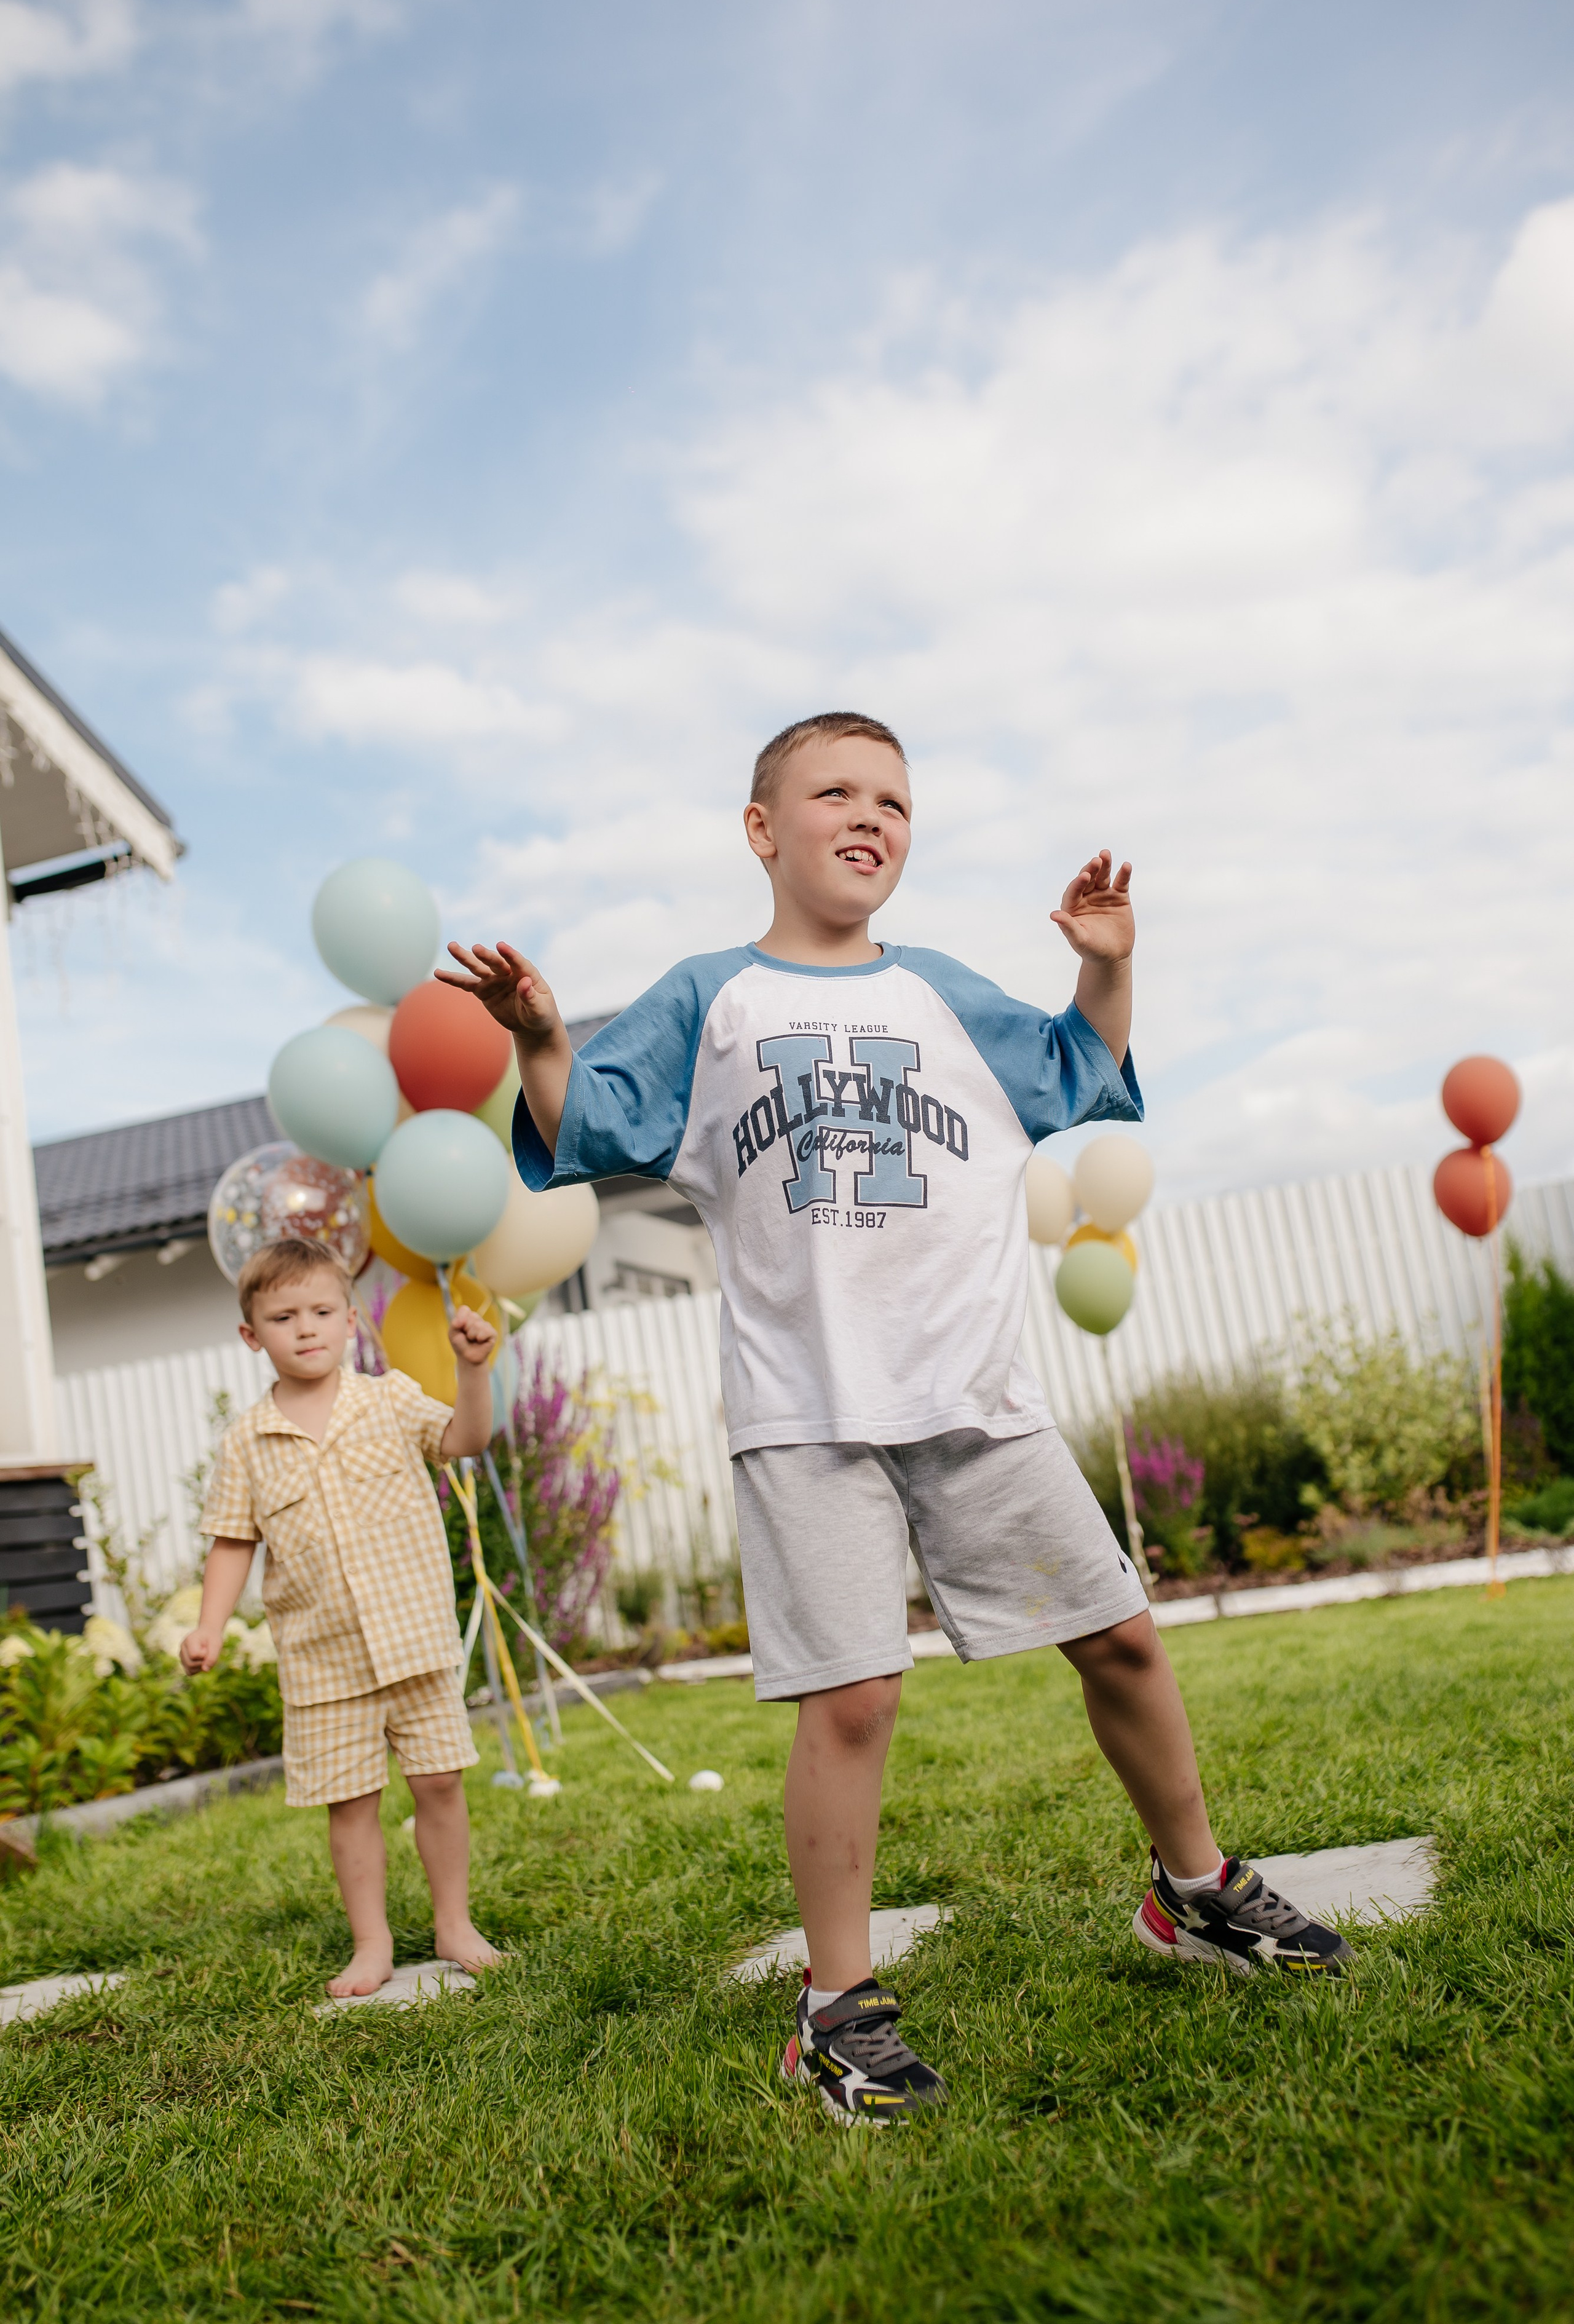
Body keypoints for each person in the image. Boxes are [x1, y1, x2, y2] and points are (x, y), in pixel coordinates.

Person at [441, 710, 1351, 2123]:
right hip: (805, 1410)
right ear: (762, 829)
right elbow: (582, 1131)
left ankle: (1192, 1886)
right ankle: (835, 2008)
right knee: (855, 1695)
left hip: (974, 1396)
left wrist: (1105, 964)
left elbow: (1079, 1067)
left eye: (892, 799)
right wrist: (543, 1036)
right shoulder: (709, 1000)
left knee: (1117, 1635)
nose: (868, 816)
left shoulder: (941, 993)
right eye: (834, 792)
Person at [180, 1235, 504, 1999]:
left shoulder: (389, 1399)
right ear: (251, 1335)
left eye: (323, 1311)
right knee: (351, 1805)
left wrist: (473, 1369)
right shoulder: (248, 1441)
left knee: (440, 1782)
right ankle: (371, 1943)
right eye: (284, 1317)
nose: (307, 1328)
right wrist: (209, 1625)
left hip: (414, 1642)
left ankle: (454, 1924)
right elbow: (232, 1540)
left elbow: (466, 1438)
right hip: (321, 1660)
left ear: (351, 1319)